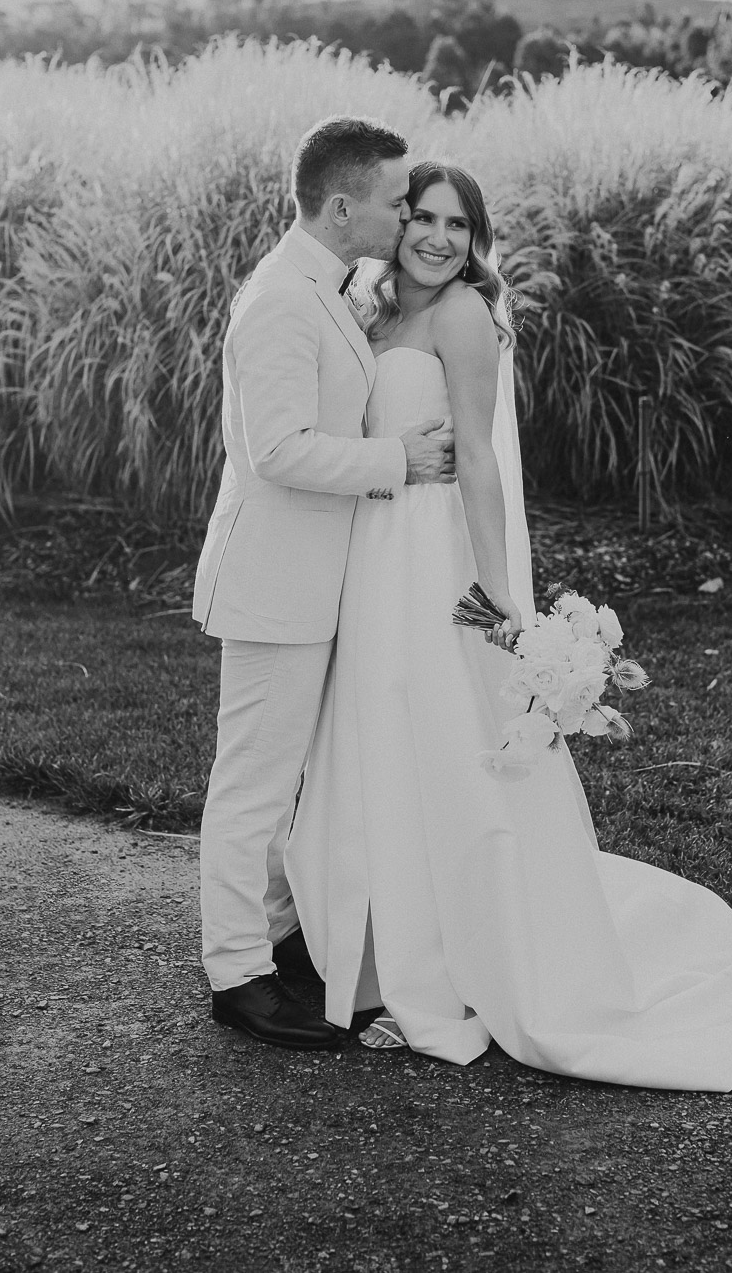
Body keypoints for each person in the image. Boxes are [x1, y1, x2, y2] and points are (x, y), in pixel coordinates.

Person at [285, 162, 732, 1088]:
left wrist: (497, 588)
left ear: (477, 239)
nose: (438, 237)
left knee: (435, 733)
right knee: (372, 735)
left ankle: (450, 955)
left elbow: (478, 455)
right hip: (369, 546)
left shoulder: (464, 315)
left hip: (429, 557)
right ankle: (376, 951)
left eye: (458, 225)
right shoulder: (373, 301)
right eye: (422, 218)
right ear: (395, 224)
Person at [192, 117, 456, 1050]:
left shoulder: (329, 289)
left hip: (314, 582)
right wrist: (400, 460)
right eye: (393, 201)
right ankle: (236, 975)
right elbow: (279, 450)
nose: (403, 213)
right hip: (273, 581)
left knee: (282, 781)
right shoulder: (279, 301)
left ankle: (273, 938)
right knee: (253, 784)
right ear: (343, 206)